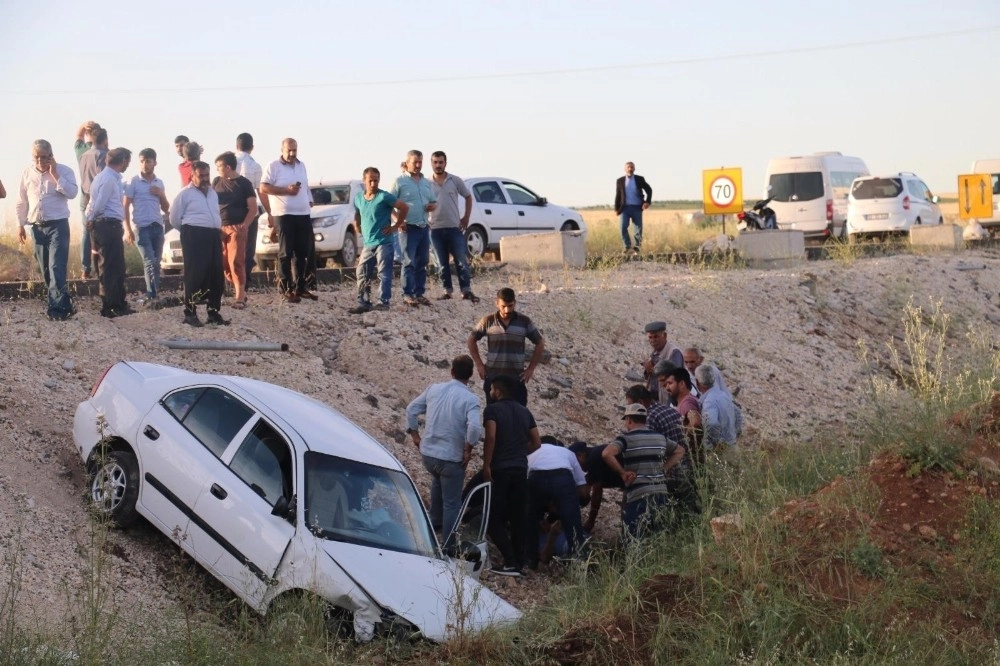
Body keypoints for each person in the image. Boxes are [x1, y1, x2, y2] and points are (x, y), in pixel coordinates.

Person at [405, 355, 483, 538]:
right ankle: (448, 544)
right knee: (452, 503)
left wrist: (415, 436)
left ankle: (432, 526)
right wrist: (468, 449)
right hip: (451, 458)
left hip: (429, 455)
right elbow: (474, 427)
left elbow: (411, 410)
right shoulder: (470, 399)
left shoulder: (434, 389)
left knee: (437, 483)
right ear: (470, 374)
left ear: (452, 371)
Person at [482, 375, 540, 576]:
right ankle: (519, 562)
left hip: (500, 469)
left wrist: (486, 465)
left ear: (497, 391)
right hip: (520, 469)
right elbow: (537, 443)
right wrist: (520, 454)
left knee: (492, 518)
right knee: (517, 517)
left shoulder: (492, 410)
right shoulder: (525, 412)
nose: (490, 394)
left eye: (491, 390)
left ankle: (510, 561)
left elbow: (491, 436)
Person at [15, 139, 78, 320]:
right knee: (45, 269)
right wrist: (20, 224)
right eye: (37, 157)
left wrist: (55, 174)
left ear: (51, 155)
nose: (40, 161)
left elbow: (73, 193)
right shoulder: (27, 173)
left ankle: (57, 310)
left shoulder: (64, 171)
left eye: (44, 157)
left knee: (56, 266)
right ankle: (64, 303)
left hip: (58, 226)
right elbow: (22, 201)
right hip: (37, 227)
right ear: (32, 157)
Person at [602, 403, 686, 538]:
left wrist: (622, 473)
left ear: (628, 420)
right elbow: (680, 450)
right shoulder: (659, 437)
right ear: (645, 420)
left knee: (635, 539)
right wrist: (665, 468)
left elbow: (607, 453)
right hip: (660, 494)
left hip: (638, 496)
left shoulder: (625, 439)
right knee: (658, 538)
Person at [625, 385, 700, 516]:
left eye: (630, 406)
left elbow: (646, 450)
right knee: (688, 515)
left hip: (668, 475)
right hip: (686, 469)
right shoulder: (669, 410)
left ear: (641, 403)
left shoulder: (648, 418)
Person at [170, 161, 228, 327]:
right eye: (200, 175)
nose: (204, 179)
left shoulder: (212, 193)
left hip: (212, 235)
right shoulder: (184, 194)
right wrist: (190, 231)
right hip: (194, 234)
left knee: (216, 274)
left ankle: (213, 312)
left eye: (206, 175)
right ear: (192, 176)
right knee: (195, 274)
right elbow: (174, 218)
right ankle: (190, 313)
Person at [467, 287, 545, 407]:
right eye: (504, 306)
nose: (507, 309)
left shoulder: (524, 321)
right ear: (497, 303)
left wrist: (530, 369)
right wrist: (479, 364)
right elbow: (471, 340)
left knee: (518, 418)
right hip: (493, 379)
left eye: (510, 305)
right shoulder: (487, 321)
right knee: (493, 417)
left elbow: (539, 343)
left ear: (515, 303)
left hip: (516, 379)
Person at [260, 138, 316, 303]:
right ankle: (285, 288)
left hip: (303, 213)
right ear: (282, 150)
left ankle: (300, 287)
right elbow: (263, 187)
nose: (292, 154)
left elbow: (305, 186)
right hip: (284, 214)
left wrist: (309, 199)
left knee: (302, 253)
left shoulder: (301, 165)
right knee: (286, 252)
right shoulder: (273, 166)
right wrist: (286, 190)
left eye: (294, 150)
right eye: (289, 150)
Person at [348, 167, 409, 314]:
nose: (373, 184)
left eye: (376, 180)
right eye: (370, 181)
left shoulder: (384, 197)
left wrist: (396, 226)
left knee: (384, 273)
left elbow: (403, 207)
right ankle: (364, 302)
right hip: (368, 243)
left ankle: (383, 301)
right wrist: (357, 225)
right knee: (362, 271)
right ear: (364, 181)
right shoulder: (358, 198)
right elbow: (357, 212)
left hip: (384, 242)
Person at [526, 439, 590, 567]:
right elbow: (583, 491)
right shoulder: (567, 453)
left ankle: (531, 560)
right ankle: (579, 559)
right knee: (573, 522)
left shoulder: (531, 453)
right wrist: (572, 504)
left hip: (536, 476)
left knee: (531, 520)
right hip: (562, 477)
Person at [85, 147, 132, 318]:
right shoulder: (109, 180)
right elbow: (99, 204)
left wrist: (89, 218)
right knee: (110, 266)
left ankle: (118, 303)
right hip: (107, 225)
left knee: (116, 266)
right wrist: (92, 218)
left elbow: (91, 202)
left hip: (106, 225)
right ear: (124, 161)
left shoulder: (102, 177)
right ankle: (111, 306)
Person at [428, 151, 478, 303]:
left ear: (445, 163)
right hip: (435, 229)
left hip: (454, 228)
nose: (438, 165)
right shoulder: (426, 183)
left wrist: (466, 218)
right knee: (441, 263)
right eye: (435, 162)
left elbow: (468, 197)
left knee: (461, 261)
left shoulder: (455, 180)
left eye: (441, 162)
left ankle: (466, 291)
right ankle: (447, 291)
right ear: (431, 164)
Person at [391, 150, 437, 307]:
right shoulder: (399, 181)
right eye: (415, 162)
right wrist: (398, 221)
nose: (418, 165)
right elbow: (389, 203)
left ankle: (419, 293)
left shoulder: (425, 182)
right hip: (408, 228)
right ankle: (408, 294)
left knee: (422, 261)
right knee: (409, 261)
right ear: (407, 162)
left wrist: (432, 206)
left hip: (424, 227)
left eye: (420, 162)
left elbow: (433, 201)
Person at [124, 148, 169, 307]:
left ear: (154, 163)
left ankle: (154, 293)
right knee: (149, 260)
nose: (145, 164)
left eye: (148, 161)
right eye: (142, 161)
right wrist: (127, 229)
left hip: (157, 226)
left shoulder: (159, 182)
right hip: (141, 227)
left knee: (156, 262)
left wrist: (161, 194)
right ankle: (152, 295)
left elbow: (166, 208)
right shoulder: (133, 182)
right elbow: (125, 206)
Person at [213, 151, 257, 309]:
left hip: (237, 227)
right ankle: (240, 291)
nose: (217, 170)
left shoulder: (244, 184)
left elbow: (252, 208)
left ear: (228, 167)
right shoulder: (216, 181)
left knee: (236, 261)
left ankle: (239, 296)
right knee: (224, 264)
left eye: (219, 166)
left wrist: (245, 225)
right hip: (219, 227)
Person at [569, 441, 626, 533]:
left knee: (628, 514)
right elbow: (590, 481)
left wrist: (590, 521)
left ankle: (628, 539)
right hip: (630, 478)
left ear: (580, 455)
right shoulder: (594, 454)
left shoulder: (593, 459)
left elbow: (597, 493)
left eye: (575, 463)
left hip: (634, 479)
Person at [78, 127, 109, 279]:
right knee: (100, 233)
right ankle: (100, 268)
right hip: (96, 196)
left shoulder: (84, 155)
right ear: (105, 140)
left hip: (84, 195)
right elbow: (102, 179)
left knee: (86, 232)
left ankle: (85, 269)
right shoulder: (102, 155)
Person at [695, 364, 742, 456]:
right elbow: (738, 413)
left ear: (697, 382)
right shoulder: (723, 395)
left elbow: (711, 424)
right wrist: (734, 435)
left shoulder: (709, 401)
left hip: (721, 452)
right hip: (732, 446)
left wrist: (716, 442)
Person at [662, 366, 704, 466]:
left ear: (682, 384)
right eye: (666, 384)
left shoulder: (687, 402)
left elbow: (696, 422)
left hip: (692, 461)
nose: (667, 388)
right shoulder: (684, 401)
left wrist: (683, 441)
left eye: (670, 383)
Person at [235, 133, 263, 274]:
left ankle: (234, 281)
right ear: (252, 147)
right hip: (251, 211)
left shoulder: (229, 164)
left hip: (232, 211)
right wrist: (270, 213)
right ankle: (244, 282)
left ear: (236, 146)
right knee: (248, 248)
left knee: (233, 247)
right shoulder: (255, 165)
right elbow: (261, 191)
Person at [614, 161, 653, 254]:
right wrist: (616, 208)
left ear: (634, 169)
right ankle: (626, 246)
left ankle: (637, 247)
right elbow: (618, 195)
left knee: (638, 229)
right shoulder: (620, 181)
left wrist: (648, 202)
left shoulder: (639, 179)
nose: (630, 169)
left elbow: (649, 190)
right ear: (625, 169)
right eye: (628, 167)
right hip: (625, 208)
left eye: (632, 167)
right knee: (622, 227)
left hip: (637, 208)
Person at [643, 321, 683, 402]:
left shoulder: (673, 352)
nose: (653, 340)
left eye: (656, 337)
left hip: (669, 399)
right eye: (650, 337)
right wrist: (647, 370)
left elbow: (675, 378)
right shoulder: (654, 352)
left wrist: (653, 369)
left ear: (664, 335)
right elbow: (651, 377)